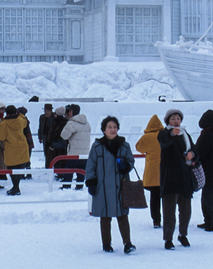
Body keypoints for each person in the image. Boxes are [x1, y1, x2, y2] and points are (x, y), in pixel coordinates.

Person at [85, 116, 136, 254]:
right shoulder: (97, 146)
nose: (112, 130)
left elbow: (131, 161)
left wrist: (125, 166)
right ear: (103, 130)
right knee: (105, 216)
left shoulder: (124, 145)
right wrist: (91, 181)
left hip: (120, 186)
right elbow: (90, 165)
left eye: (115, 127)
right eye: (109, 127)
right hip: (103, 187)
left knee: (122, 215)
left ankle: (128, 243)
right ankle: (106, 243)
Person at [158, 108, 196, 250]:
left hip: (185, 176)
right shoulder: (164, 134)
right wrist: (170, 134)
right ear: (168, 121)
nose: (176, 121)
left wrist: (192, 154)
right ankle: (168, 238)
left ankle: (183, 234)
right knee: (169, 210)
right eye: (173, 119)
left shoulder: (185, 134)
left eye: (178, 119)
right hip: (170, 177)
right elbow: (164, 141)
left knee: (186, 209)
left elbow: (194, 150)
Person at [134, 114, 164, 228]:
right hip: (165, 173)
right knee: (167, 198)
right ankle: (169, 218)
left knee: (154, 198)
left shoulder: (147, 137)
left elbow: (139, 148)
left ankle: (156, 220)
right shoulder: (164, 135)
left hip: (152, 173)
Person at [0, 105, 30, 195]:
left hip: (11, 149)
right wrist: (21, 115)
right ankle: (16, 187)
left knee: (12, 169)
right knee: (18, 169)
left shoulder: (5, 123)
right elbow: (25, 122)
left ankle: (15, 187)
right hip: (22, 147)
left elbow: (0, 136)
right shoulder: (20, 120)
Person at [60, 104, 90, 190]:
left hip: (74, 152)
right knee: (81, 171)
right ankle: (79, 186)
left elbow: (64, 135)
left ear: (72, 112)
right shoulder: (86, 123)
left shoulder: (72, 123)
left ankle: (66, 186)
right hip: (85, 153)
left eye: (69, 111)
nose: (68, 113)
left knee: (69, 171)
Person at [46, 106, 69, 175]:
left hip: (56, 144)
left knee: (56, 159)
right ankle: (63, 173)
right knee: (63, 158)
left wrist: (49, 142)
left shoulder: (55, 122)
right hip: (64, 143)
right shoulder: (67, 121)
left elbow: (51, 133)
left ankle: (58, 173)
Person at [18, 106, 34, 178]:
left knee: (22, 159)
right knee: (27, 159)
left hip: (24, 143)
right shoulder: (25, 120)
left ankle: (22, 174)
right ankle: (28, 173)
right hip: (29, 142)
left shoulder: (21, 121)